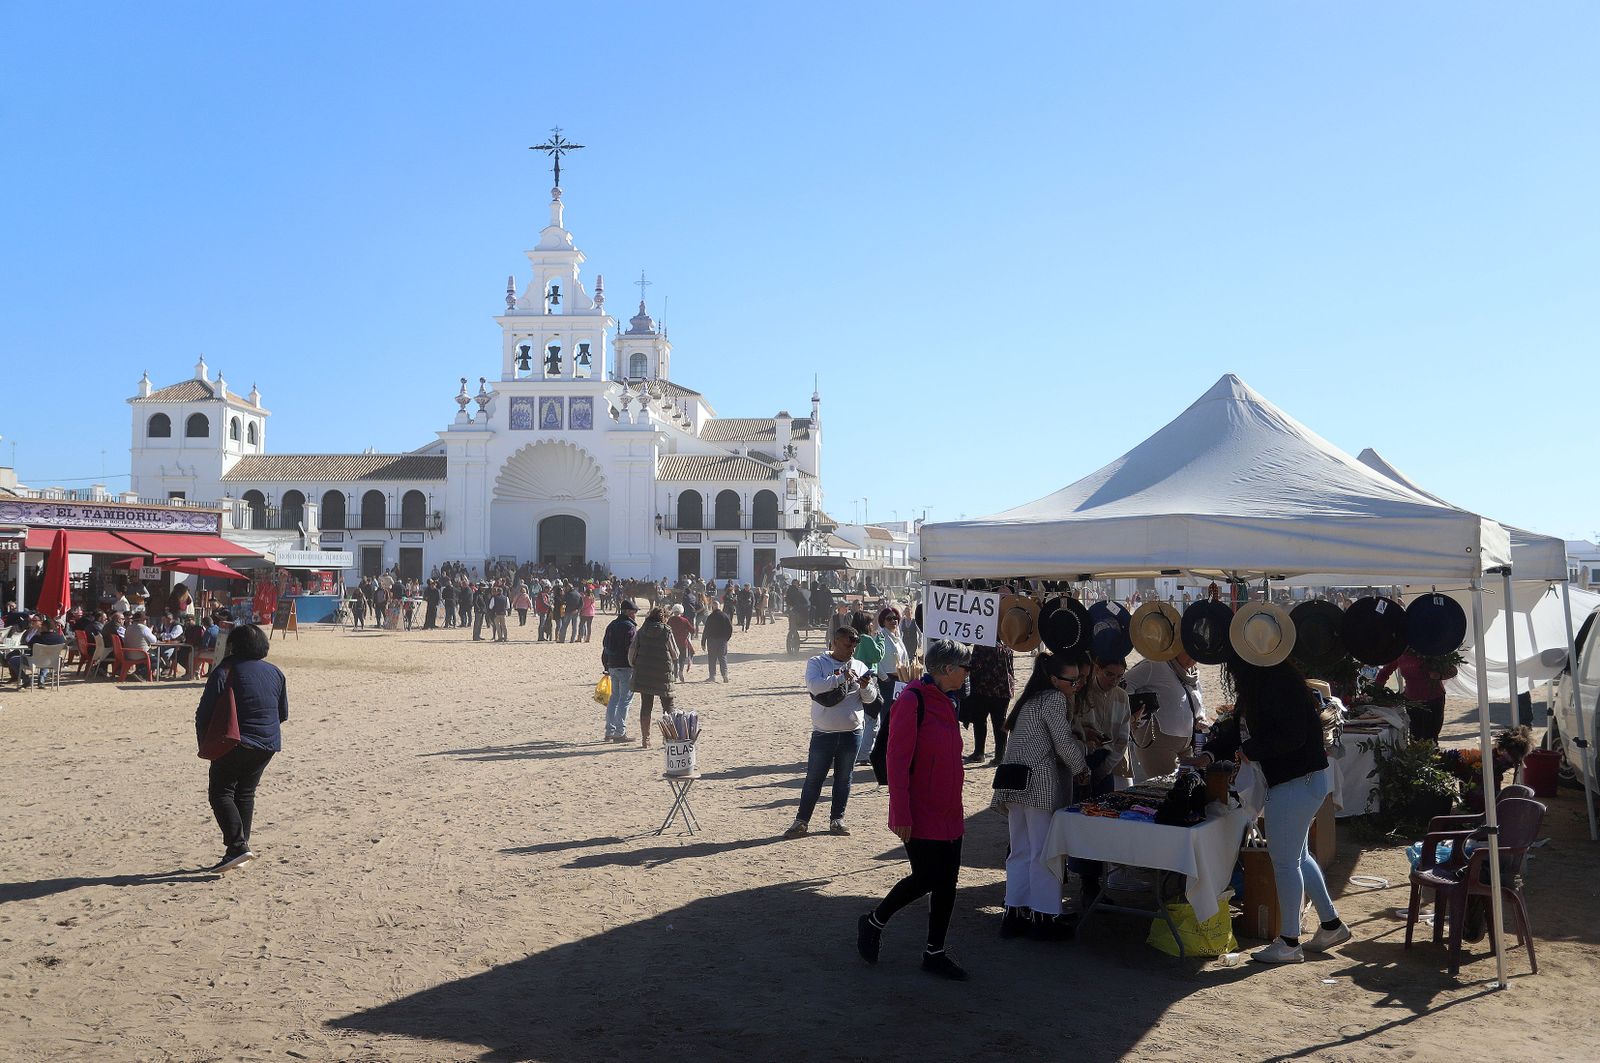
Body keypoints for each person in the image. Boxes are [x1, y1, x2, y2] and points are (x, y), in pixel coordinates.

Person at [1201, 654, 1350, 964]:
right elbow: (1237, 728)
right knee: (1298, 856)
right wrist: (1211, 753)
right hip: (1303, 781)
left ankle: (1289, 941)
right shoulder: (1265, 683)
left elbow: (1290, 738)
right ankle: (1331, 924)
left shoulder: (1277, 686)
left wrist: (1248, 751)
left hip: (1296, 782)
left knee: (1284, 862)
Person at [857, 638, 973, 980]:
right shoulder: (912, 700)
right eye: (965, 667)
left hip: (949, 807)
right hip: (919, 808)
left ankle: (934, 951)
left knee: (948, 881)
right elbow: (896, 759)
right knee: (926, 877)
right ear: (948, 669)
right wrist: (901, 813)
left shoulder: (950, 701)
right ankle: (874, 921)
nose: (968, 673)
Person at [992, 651, 1091, 939]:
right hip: (1038, 783)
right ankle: (1046, 916)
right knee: (1045, 852)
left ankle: (1015, 911)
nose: (1076, 686)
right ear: (1053, 679)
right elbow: (1062, 741)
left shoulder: (1030, 700)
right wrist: (1081, 767)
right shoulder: (1054, 699)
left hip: (1013, 781)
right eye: (1071, 681)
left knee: (1020, 850)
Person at [195, 623, 287, 873]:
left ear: (232, 646)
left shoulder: (225, 670)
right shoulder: (275, 672)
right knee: (245, 793)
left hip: (235, 740)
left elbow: (204, 713)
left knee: (221, 792)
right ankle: (239, 849)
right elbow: (282, 713)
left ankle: (237, 846)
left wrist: (205, 744)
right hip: (268, 743)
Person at [787, 627, 876, 839]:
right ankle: (801, 821)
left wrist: (865, 687)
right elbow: (814, 686)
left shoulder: (860, 665)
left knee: (844, 778)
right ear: (835, 641)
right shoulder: (817, 662)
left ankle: (837, 820)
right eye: (848, 643)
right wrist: (841, 678)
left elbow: (871, 698)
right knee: (814, 779)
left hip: (852, 733)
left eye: (855, 644)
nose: (852, 648)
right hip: (823, 734)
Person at [1126, 648, 1207, 780]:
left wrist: (1200, 717)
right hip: (1158, 743)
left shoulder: (1192, 673)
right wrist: (1136, 716)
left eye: (1197, 655)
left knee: (1189, 790)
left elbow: (1196, 700)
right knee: (1166, 790)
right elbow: (1124, 684)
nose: (1193, 659)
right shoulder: (1154, 665)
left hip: (1188, 744)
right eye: (1189, 652)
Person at [1371, 649, 1448, 743]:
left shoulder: (1429, 649)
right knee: (1414, 737)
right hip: (1412, 702)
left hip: (1433, 699)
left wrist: (1439, 675)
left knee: (1430, 738)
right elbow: (1385, 671)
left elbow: (1452, 670)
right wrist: (1375, 691)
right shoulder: (1400, 653)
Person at [628, 606, 677, 748]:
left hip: (644, 673)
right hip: (663, 673)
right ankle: (668, 738)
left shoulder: (642, 631)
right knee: (668, 707)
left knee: (646, 706)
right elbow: (675, 653)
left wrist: (634, 665)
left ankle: (646, 740)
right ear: (664, 618)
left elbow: (632, 652)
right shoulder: (667, 631)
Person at [961, 641, 1014, 764]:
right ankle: (1000, 756)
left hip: (983, 688)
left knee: (980, 721)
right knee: (1000, 722)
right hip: (1003, 689)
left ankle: (979, 753)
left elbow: (974, 666)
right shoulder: (1007, 646)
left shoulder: (982, 645)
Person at [701, 599, 733, 682]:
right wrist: (726, 639)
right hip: (722, 640)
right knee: (722, 657)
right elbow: (730, 629)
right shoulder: (725, 616)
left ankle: (712, 676)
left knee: (712, 658)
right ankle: (725, 675)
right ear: (720, 607)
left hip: (711, 640)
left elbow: (706, 630)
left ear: (713, 607)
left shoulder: (710, 617)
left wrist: (703, 642)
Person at [667, 604, 695, 681]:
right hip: (683, 642)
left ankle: (675, 674)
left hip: (673, 642)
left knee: (674, 658)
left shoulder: (671, 620)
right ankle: (681, 671)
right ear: (681, 612)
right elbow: (692, 630)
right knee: (682, 658)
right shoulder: (684, 620)